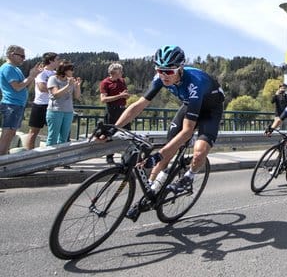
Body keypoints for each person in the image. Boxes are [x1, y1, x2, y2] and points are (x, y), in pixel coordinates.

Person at [102, 45, 225, 220]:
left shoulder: (194, 84)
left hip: (210, 110)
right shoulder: (160, 78)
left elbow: (188, 131)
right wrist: (113, 128)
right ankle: (150, 194)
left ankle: (190, 175)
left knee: (199, 151)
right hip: (190, 104)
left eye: (169, 71)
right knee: (168, 150)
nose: (164, 75)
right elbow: (138, 105)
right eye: (160, 70)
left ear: (180, 68)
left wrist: (158, 155)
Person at [0, 45, 40, 155]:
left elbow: (24, 86)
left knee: (11, 134)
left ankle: (4, 158)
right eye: (21, 56)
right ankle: (2, 162)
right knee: (7, 134)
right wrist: (31, 76)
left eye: (24, 56)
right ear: (11, 55)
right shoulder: (8, 68)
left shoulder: (16, 69)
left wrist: (33, 76)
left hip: (17, 105)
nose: (24, 58)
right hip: (11, 104)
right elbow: (17, 87)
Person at [26, 52, 58, 150]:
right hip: (40, 105)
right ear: (51, 61)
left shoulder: (57, 74)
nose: (59, 62)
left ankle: (52, 156)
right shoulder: (41, 72)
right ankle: (28, 155)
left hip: (54, 106)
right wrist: (56, 90)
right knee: (33, 132)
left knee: (54, 132)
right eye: (57, 59)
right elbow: (41, 87)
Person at [99, 63, 130, 164]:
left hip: (123, 110)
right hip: (112, 110)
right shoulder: (105, 83)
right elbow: (103, 99)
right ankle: (109, 156)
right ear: (113, 72)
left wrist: (125, 96)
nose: (122, 73)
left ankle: (126, 157)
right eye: (120, 71)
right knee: (110, 133)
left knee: (127, 133)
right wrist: (119, 96)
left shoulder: (122, 81)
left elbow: (125, 95)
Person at [46, 60, 82, 146]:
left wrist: (77, 86)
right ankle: (48, 157)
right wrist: (68, 85)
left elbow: (77, 96)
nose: (73, 71)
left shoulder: (70, 81)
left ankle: (60, 158)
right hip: (55, 111)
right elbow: (55, 94)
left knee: (64, 138)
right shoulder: (53, 79)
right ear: (64, 70)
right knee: (53, 137)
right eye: (71, 69)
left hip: (68, 112)